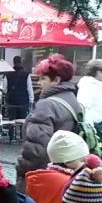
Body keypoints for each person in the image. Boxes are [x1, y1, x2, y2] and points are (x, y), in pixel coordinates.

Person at [16, 54, 84, 193]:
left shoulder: (47, 105)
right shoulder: (73, 101)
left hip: (44, 176)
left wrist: (21, 168)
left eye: (43, 78)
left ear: (56, 80)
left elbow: (36, 149)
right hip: (67, 173)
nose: (39, 83)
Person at [25, 130, 93, 203]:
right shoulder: (73, 184)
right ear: (68, 162)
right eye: (82, 160)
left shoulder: (37, 179)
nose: (84, 164)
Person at [77, 59, 102, 125]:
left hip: (97, 126)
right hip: (93, 127)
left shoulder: (93, 86)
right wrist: (90, 133)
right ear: (98, 72)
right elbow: (84, 110)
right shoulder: (88, 86)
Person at [4, 55, 34, 119]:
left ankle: (11, 129)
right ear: (21, 62)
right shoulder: (26, 74)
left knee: (12, 122)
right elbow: (29, 88)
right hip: (23, 102)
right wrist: (31, 100)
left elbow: (5, 89)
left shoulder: (8, 74)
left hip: (11, 102)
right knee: (22, 122)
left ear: (13, 62)